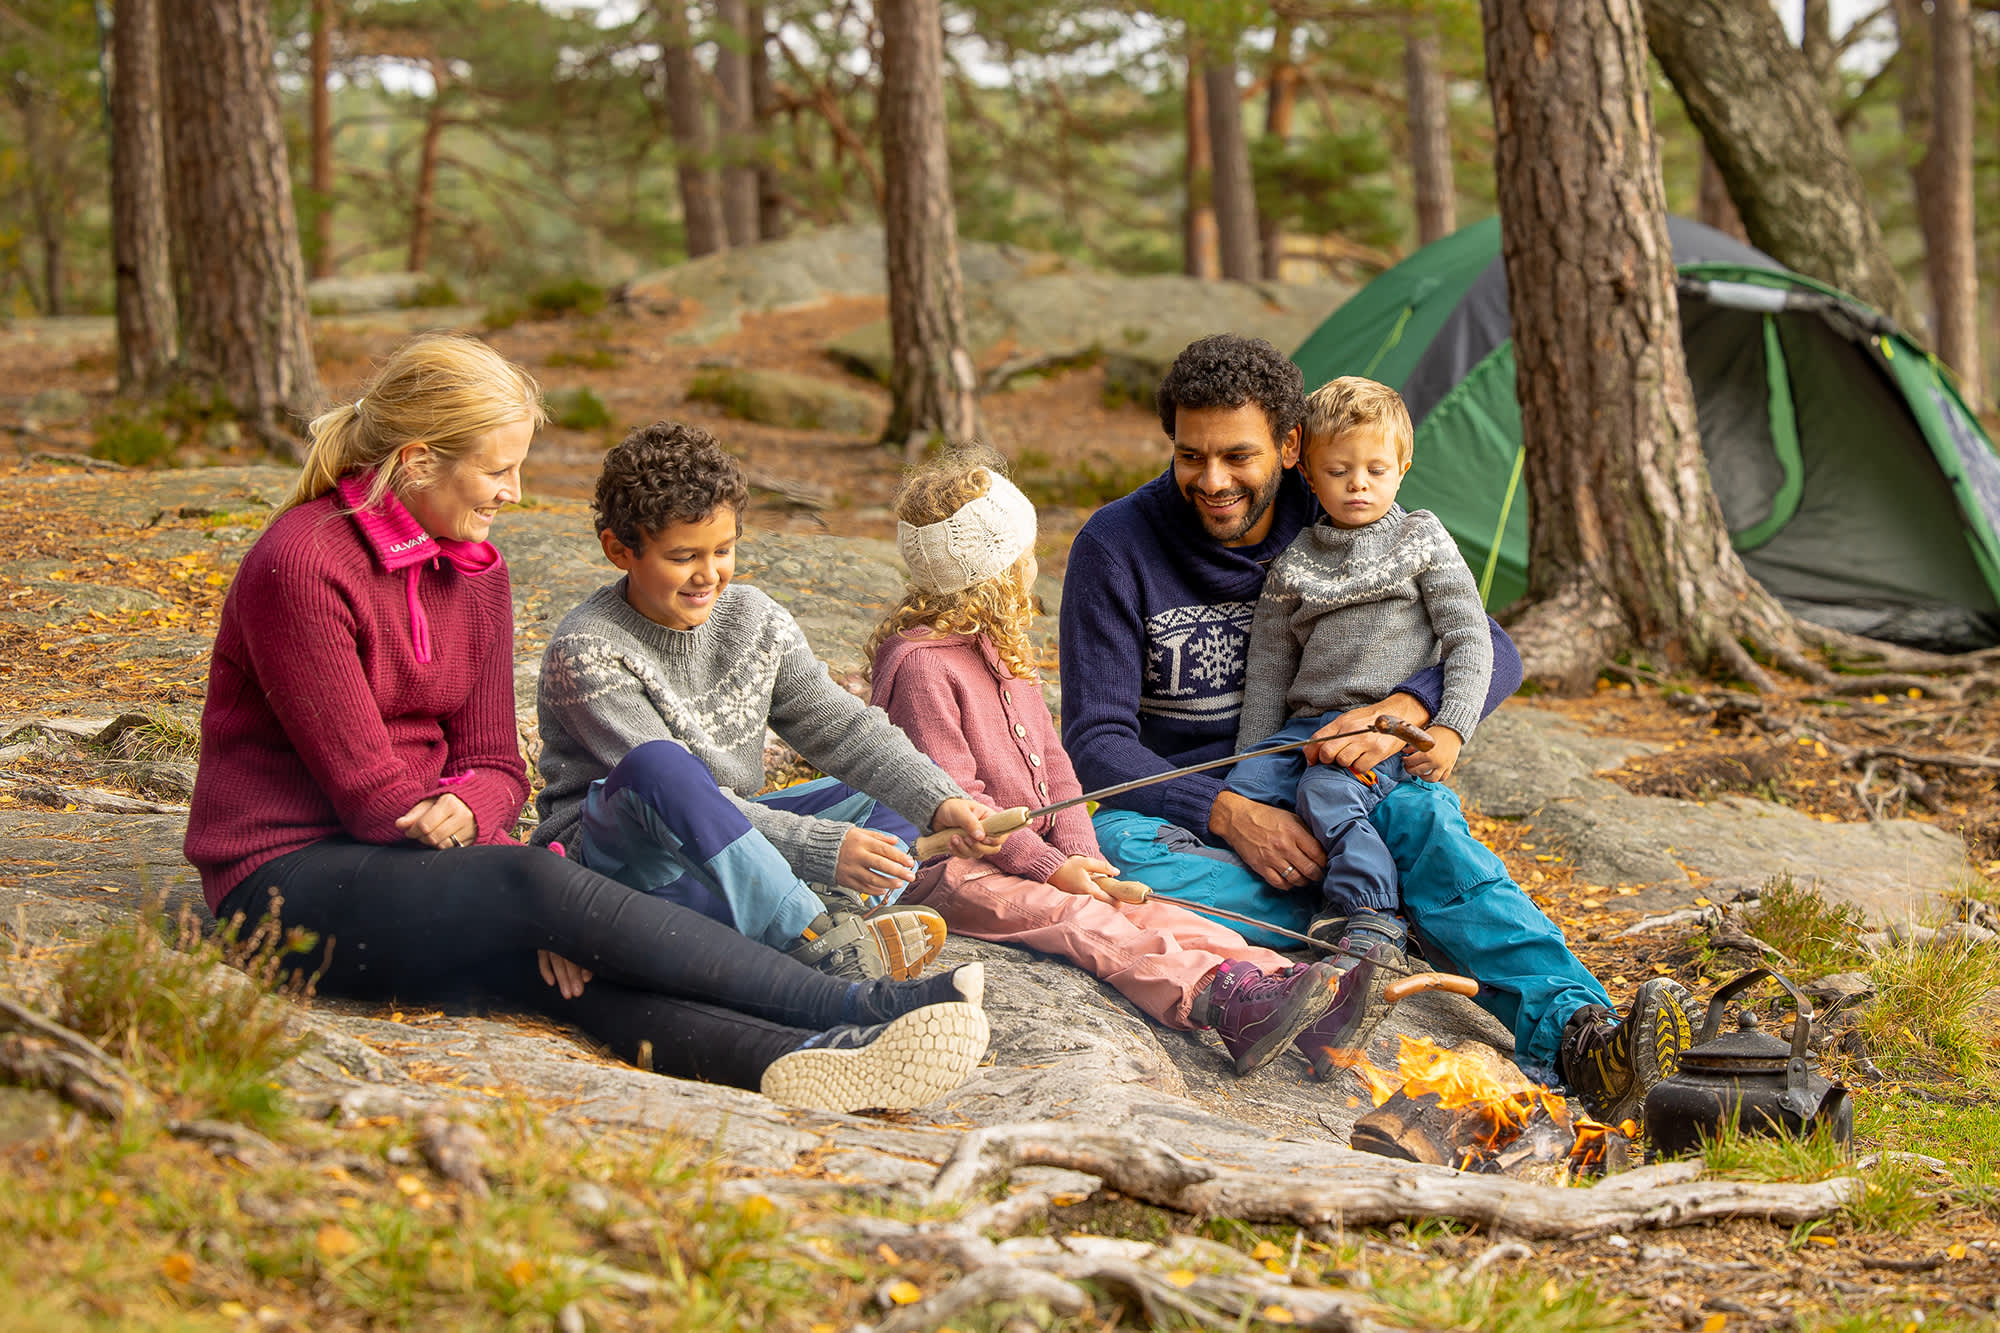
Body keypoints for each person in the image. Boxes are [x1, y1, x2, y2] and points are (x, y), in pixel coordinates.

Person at [184, 332, 988, 1115]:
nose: (515, 493)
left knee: (568, 973)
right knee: (542, 891)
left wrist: (502, 846)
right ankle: (854, 1000)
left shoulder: (475, 574)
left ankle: (795, 1059)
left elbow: (498, 765)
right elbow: (374, 798)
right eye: (497, 470)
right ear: (418, 460)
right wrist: (520, 887)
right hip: (287, 879)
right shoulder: (303, 565)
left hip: (424, 865)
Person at [1058, 333, 1691, 1125]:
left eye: (1238, 456)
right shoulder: (1116, 547)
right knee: (1112, 848)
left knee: (1420, 817)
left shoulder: (1338, 504)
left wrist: (1407, 712)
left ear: (1291, 447)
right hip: (1209, 822)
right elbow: (1095, 743)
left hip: (1348, 779)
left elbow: (1490, 644)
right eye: (1192, 456)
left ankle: (1580, 1034)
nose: (1213, 480)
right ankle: (1390, 912)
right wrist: (1228, 812)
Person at [866, 451, 1374, 1077]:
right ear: (1000, 568)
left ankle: (1295, 996)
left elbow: (1056, 769)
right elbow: (963, 807)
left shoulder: (998, 651)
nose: (1033, 566)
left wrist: (1082, 852)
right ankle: (1223, 1001)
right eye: (1026, 554)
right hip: (954, 875)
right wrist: (1051, 869)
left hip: (1035, 857)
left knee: (1152, 909)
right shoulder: (922, 666)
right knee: (1081, 920)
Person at [532, 421, 1006, 982]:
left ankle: (819, 910)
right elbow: (668, 801)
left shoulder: (753, 618)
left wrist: (940, 802)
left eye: (724, 550)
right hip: (629, 858)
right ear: (619, 549)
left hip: (734, 840)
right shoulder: (589, 648)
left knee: (897, 793)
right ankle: (820, 937)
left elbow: (845, 729)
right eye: (683, 556)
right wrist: (817, 847)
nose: (708, 575)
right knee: (662, 768)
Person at [1225, 376, 1493, 1026]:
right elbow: (1267, 672)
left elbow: (1471, 639)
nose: (1358, 484)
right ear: (1309, 474)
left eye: (1376, 469)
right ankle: (1272, 915)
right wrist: (1247, 764)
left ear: (1403, 465)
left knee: (1326, 791)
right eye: (1339, 470)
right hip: (1303, 728)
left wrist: (1449, 727)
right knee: (1240, 796)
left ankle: (1370, 915)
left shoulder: (1422, 539)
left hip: (1384, 729)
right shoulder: (1294, 565)